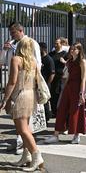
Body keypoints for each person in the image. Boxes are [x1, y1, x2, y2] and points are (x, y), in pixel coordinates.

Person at [0, 37, 44, 171]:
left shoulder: (16, 60)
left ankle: (37, 156)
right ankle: (26, 156)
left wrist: (5, 99)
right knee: (25, 128)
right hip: (30, 94)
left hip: (20, 95)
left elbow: (12, 82)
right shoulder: (34, 61)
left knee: (23, 130)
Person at [44, 42, 86, 144]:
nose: (72, 51)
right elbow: (67, 75)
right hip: (68, 87)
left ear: (79, 50)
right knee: (61, 110)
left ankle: (76, 135)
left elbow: (83, 78)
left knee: (76, 111)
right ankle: (56, 135)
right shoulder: (70, 60)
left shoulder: (82, 61)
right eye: (71, 49)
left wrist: (82, 93)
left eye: (74, 49)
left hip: (77, 88)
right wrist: (64, 89)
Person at [49, 38, 68, 117]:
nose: (56, 45)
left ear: (61, 44)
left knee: (59, 93)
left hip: (61, 77)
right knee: (52, 94)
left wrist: (64, 62)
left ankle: (60, 110)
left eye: (57, 43)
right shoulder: (51, 54)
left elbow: (70, 64)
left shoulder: (65, 54)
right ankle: (54, 111)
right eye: (55, 43)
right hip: (52, 77)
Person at [39, 42, 55, 124]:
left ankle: (46, 118)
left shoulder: (49, 59)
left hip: (45, 84)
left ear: (43, 48)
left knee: (45, 102)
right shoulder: (38, 58)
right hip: (39, 83)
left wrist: (47, 84)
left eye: (39, 48)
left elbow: (52, 74)